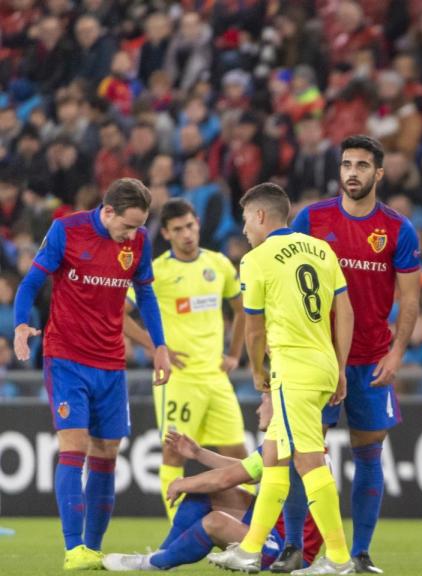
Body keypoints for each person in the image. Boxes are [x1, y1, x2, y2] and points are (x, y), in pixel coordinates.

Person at [12, 178, 172, 570]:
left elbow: (146, 294)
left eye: (138, 228)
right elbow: (32, 281)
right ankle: (72, 548)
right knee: (74, 446)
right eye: (127, 226)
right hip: (66, 357)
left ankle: (93, 548)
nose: (131, 235)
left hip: (111, 362)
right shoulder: (67, 229)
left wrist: (160, 346)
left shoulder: (139, 241)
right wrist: (19, 325)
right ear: (108, 210)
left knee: (108, 454)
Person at [288, 135, 421, 573]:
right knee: (303, 456)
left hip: (370, 360)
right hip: (317, 360)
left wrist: (398, 352)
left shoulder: (398, 229)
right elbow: (286, 282)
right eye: (347, 164)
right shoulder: (311, 218)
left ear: (378, 173)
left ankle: (359, 553)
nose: (353, 173)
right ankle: (294, 549)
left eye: (363, 166)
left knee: (369, 455)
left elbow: (410, 296)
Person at [207, 183, 356, 575]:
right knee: (274, 457)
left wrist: (258, 372)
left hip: (293, 369)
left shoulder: (257, 260)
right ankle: (250, 549)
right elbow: (345, 309)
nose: (243, 231)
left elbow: (253, 330)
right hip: (323, 362)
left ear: (260, 216)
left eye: (244, 221)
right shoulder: (322, 249)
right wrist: (340, 366)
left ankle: (340, 559)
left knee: (309, 462)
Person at [122, 198, 249, 520]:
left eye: (190, 226)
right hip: (178, 379)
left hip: (215, 378)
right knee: (172, 453)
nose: (187, 234)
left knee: (239, 455)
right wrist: (155, 347)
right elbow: (119, 314)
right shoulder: (159, 271)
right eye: (178, 229)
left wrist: (234, 354)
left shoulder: (219, 264)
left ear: (198, 224)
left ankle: (249, 534)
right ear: (166, 233)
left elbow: (241, 309)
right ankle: (177, 532)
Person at [102, 394, 289, 571]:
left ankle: (153, 562)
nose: (258, 410)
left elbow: (226, 479)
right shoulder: (283, 436)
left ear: (278, 405)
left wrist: (183, 483)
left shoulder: (286, 441)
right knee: (204, 492)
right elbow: (248, 470)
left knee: (215, 522)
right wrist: (200, 454)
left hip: (283, 549)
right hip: (273, 526)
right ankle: (164, 553)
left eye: (264, 401)